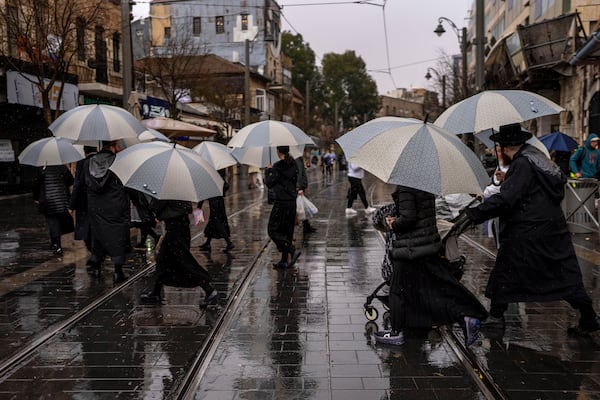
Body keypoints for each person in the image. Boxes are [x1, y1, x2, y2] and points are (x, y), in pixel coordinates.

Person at [461, 123, 600, 336]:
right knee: (565, 277)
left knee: (505, 272)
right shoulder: (537, 158)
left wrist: (475, 213)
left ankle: (496, 318)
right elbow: (532, 189)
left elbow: (507, 199)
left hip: (527, 233)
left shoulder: (522, 164)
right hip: (551, 231)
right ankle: (589, 317)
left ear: (506, 148)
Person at [374, 185, 488, 347]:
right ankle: (466, 317)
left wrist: (393, 223)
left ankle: (395, 333)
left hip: (410, 247)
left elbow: (408, 218)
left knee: (397, 290)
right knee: (433, 289)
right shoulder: (423, 186)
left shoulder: (406, 187)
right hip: (425, 244)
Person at [140, 199, 218, 308]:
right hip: (179, 226)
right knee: (162, 259)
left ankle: (209, 290)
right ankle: (156, 292)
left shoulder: (168, 188)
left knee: (184, 262)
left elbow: (157, 205)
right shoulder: (179, 190)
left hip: (175, 229)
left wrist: (152, 205)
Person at [84, 140, 131, 283]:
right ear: (113, 146)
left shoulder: (88, 163)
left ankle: (96, 264)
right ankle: (118, 271)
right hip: (116, 206)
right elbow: (126, 183)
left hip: (96, 207)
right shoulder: (118, 161)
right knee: (117, 237)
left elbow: (83, 184)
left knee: (98, 236)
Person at [265, 145, 301, 269]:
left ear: (278, 151)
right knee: (287, 231)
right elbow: (295, 180)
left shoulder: (277, 166)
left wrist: (268, 170)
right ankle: (284, 260)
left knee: (272, 230)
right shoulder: (294, 164)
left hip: (281, 202)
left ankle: (292, 250)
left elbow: (269, 183)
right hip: (291, 202)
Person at [33, 164, 74, 256]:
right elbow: (71, 181)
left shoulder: (42, 168)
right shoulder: (62, 167)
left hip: (48, 201)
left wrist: (36, 197)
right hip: (61, 200)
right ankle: (55, 242)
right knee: (57, 222)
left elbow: (37, 184)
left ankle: (57, 245)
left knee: (53, 222)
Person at [199, 170, 235, 253]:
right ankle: (207, 243)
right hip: (219, 202)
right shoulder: (217, 175)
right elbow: (225, 186)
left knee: (217, 222)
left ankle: (229, 243)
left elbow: (204, 192)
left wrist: (199, 206)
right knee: (213, 222)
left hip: (215, 203)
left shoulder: (210, 176)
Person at [69, 146, 97, 253]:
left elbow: (77, 185)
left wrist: (72, 205)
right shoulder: (102, 161)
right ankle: (98, 252)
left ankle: (93, 252)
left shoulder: (82, 163)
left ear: (85, 152)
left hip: (84, 202)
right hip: (100, 201)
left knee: (86, 230)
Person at [295, 155, 316, 236]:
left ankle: (306, 225)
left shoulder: (299, 159)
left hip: (301, 187)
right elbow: (299, 175)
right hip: (299, 188)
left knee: (301, 207)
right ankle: (305, 226)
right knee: (299, 208)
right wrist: (299, 188)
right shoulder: (297, 159)